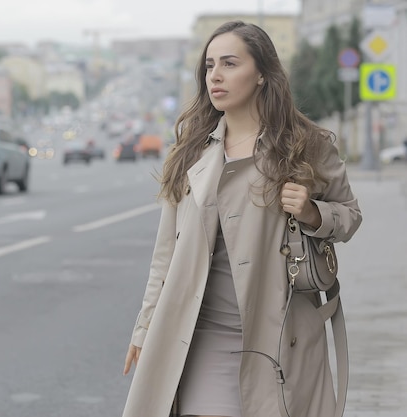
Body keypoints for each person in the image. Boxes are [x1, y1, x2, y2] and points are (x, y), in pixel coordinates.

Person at [121, 21, 362, 417]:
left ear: (263, 73)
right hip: (198, 335)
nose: (215, 75)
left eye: (230, 63)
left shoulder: (305, 145)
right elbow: (165, 255)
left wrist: (312, 211)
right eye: (209, 65)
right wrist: (146, 328)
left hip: (279, 336)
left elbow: (350, 216)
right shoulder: (192, 152)